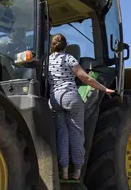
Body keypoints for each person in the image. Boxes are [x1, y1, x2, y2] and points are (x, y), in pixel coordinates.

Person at [47, 33, 115, 181]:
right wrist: (104, 89)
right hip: (70, 96)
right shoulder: (69, 58)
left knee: (62, 135)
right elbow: (84, 77)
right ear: (66, 46)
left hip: (54, 100)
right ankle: (77, 172)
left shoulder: (47, 61)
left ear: (52, 46)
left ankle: (64, 172)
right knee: (76, 134)